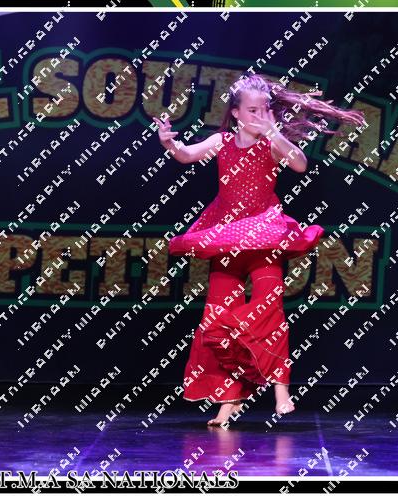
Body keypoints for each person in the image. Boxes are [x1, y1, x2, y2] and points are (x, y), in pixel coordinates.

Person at [153, 72, 366, 426]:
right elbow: (187, 155)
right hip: (226, 237)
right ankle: (229, 401)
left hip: (265, 237)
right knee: (217, 319)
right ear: (236, 113)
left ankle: (281, 390)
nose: (259, 115)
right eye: (252, 110)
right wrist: (169, 144)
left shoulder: (271, 142)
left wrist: (273, 132)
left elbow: (299, 164)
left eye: (264, 109)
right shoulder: (222, 141)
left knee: (269, 310)